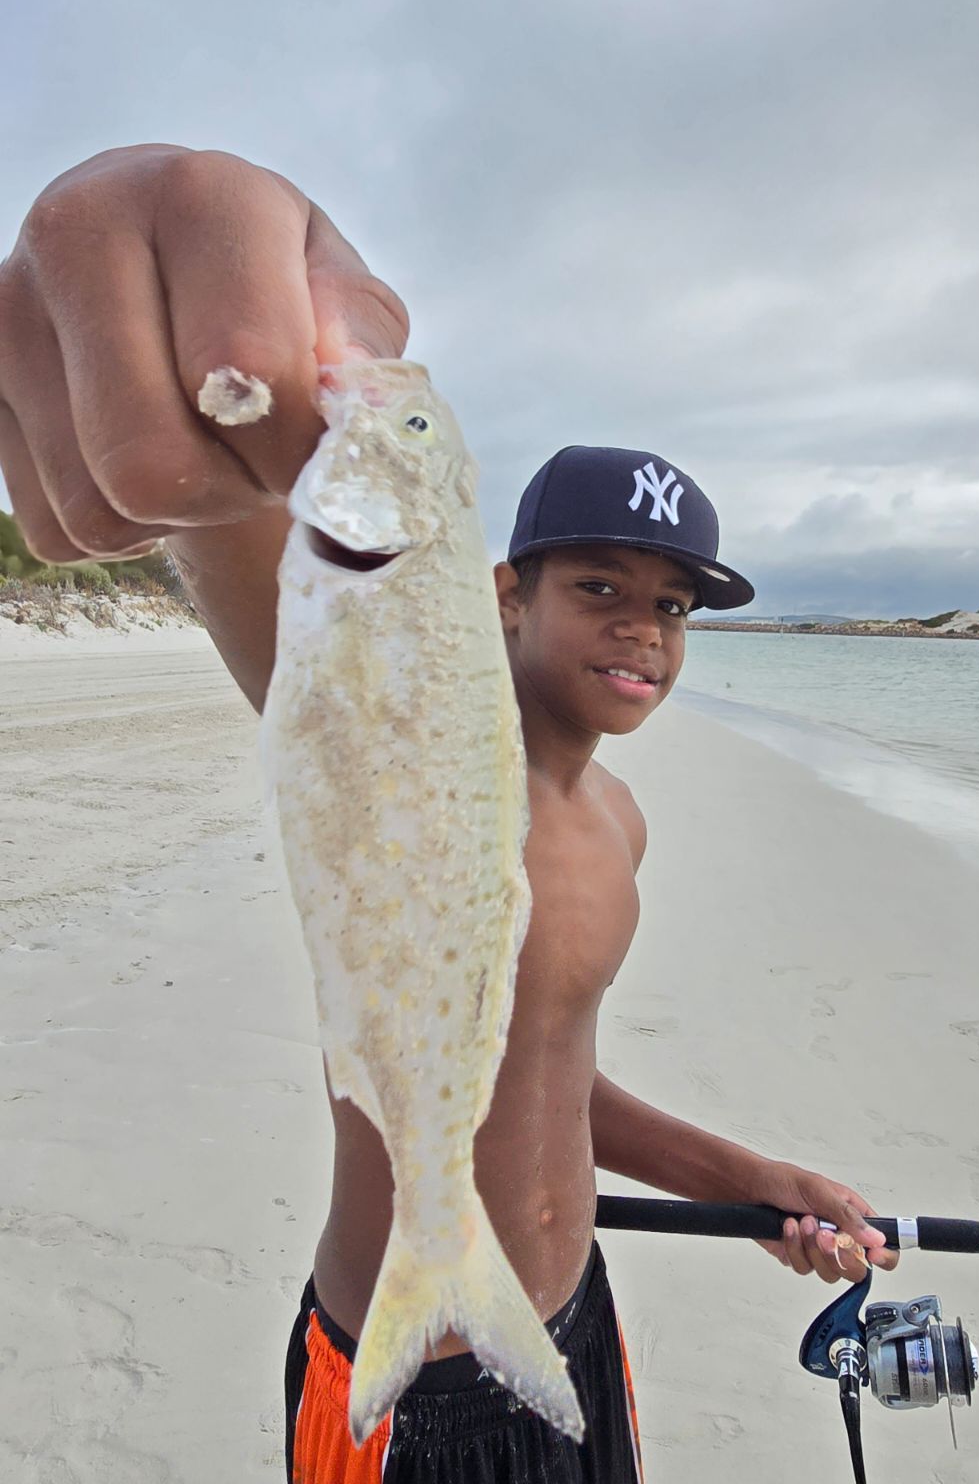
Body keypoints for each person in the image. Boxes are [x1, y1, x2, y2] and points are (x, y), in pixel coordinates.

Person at [0, 146, 897, 1483]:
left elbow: (541, 1078)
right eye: (600, 586)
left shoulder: (624, 820)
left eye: (673, 604)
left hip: (572, 1328)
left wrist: (752, 1177)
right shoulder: (398, 749)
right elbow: (265, 539)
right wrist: (193, 290)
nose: (644, 628)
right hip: (398, 1376)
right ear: (503, 594)